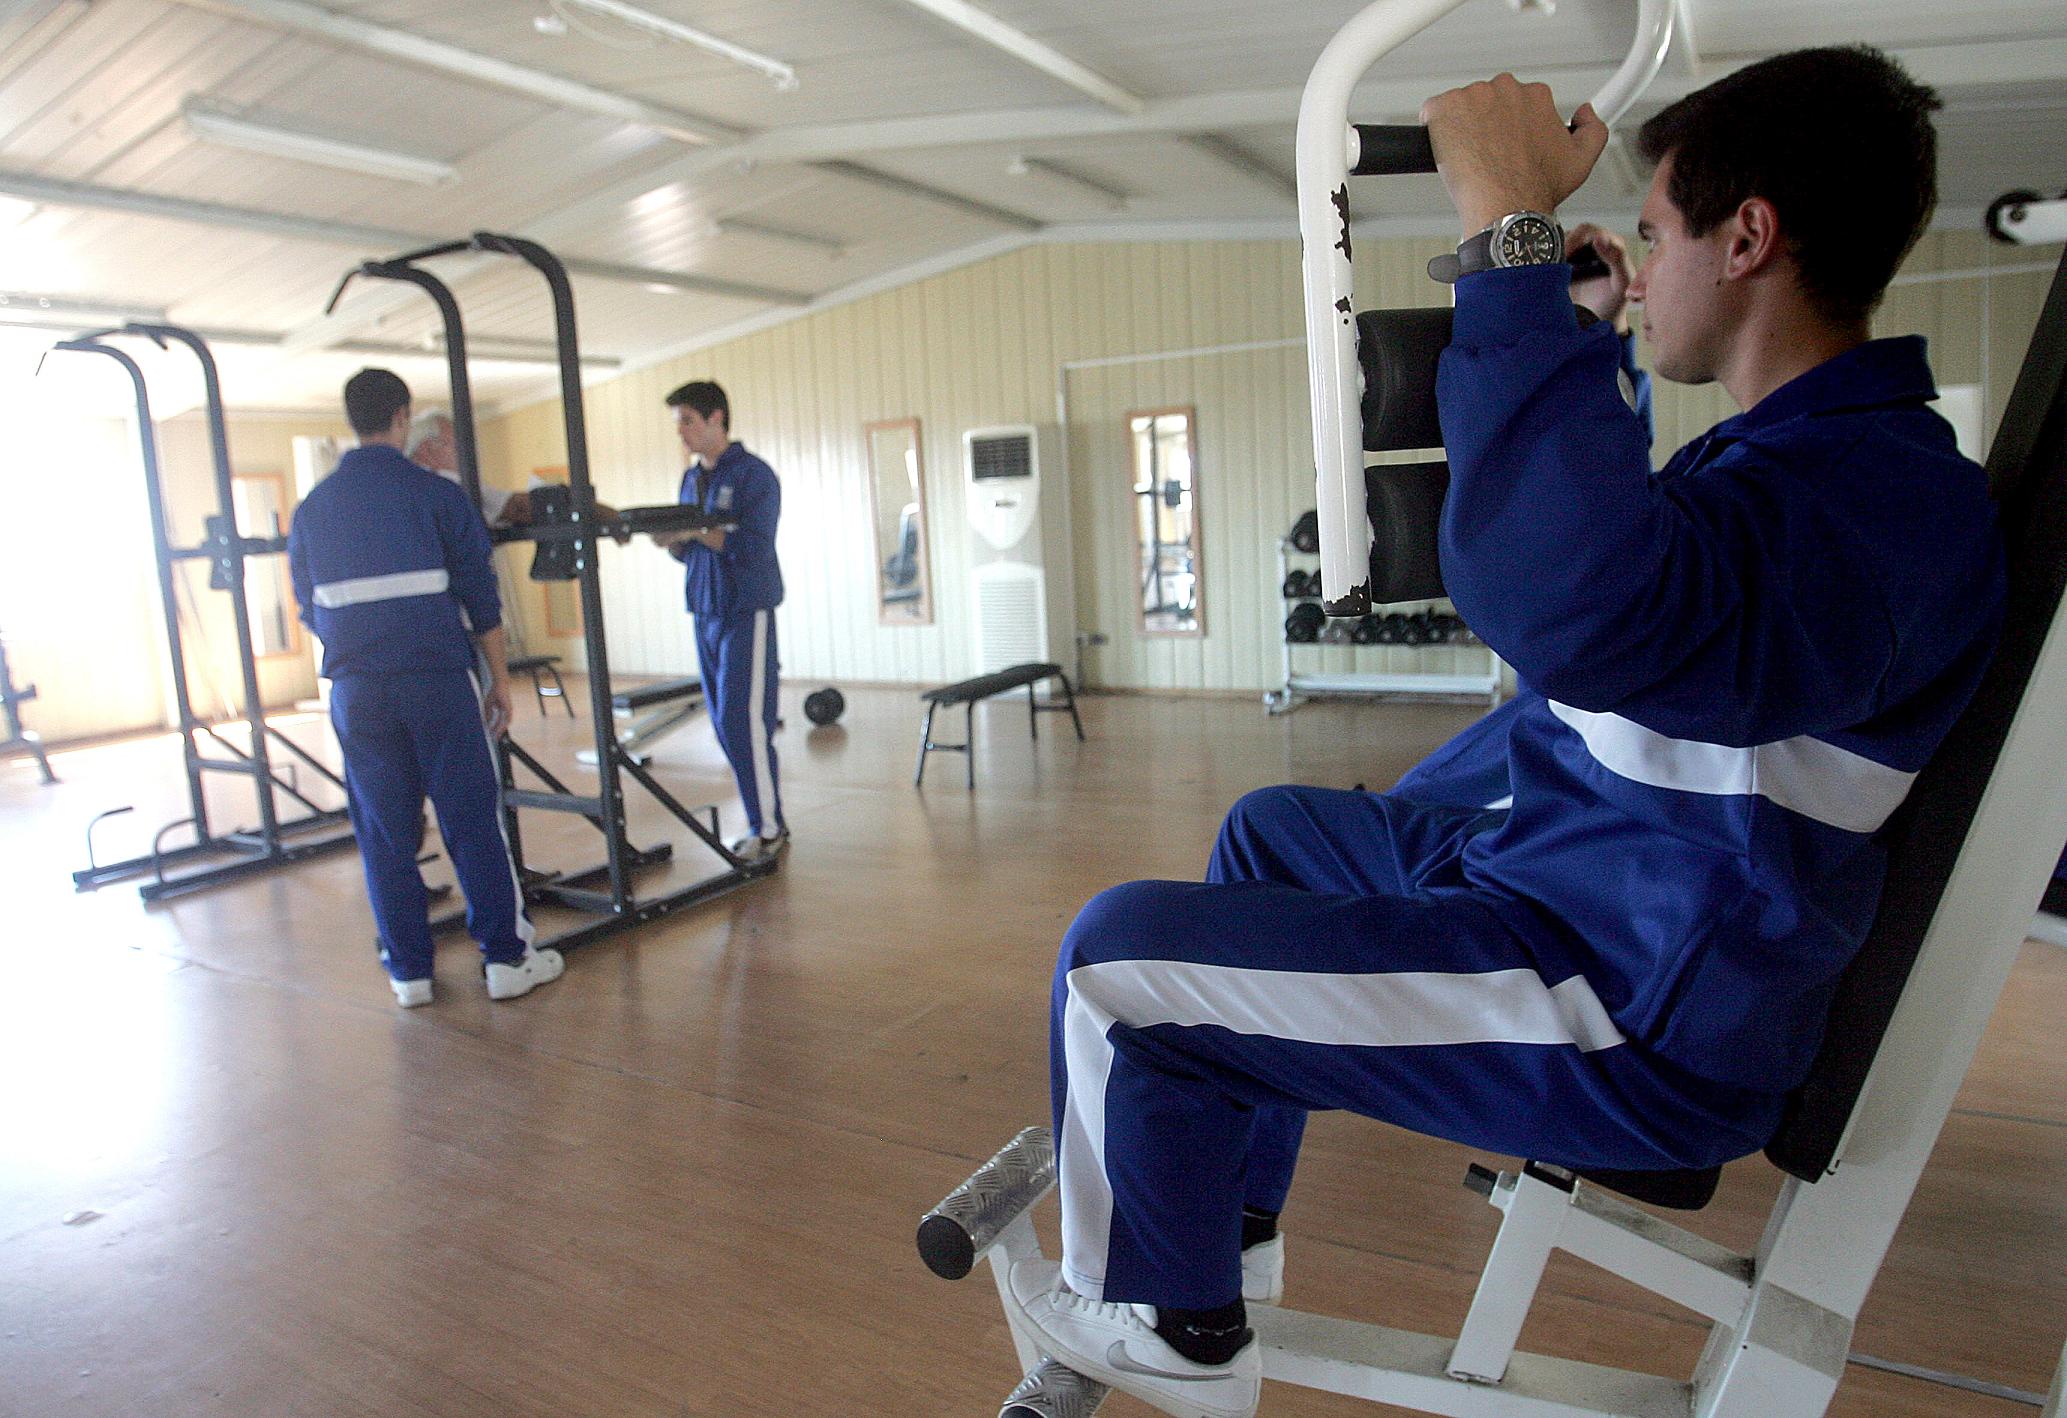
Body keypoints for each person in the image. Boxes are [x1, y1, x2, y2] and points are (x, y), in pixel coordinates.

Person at [1007, 46, 2006, 1418]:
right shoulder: (1805, 463)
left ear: (1745, 239)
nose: (1642, 268)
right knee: (1274, 833)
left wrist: (1510, 242)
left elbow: (1578, 602)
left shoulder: (1884, 508)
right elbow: (1627, 604)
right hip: (1583, 888)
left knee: (1115, 967)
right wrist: (1577, 333)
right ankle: (1219, 1242)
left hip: (1626, 1008)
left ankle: (1172, 1331)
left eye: (1654, 234)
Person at [289, 369, 565, 1008]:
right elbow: (482, 599)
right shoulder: (437, 495)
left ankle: (409, 973)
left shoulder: (312, 510)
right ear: (402, 416)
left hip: (356, 690)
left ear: (352, 419)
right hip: (436, 680)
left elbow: (308, 607)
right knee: (471, 817)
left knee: (383, 830)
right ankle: (507, 960)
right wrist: (500, 682)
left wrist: (361, 647)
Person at [652, 380, 787, 862]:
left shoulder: (755, 476)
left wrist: (698, 531)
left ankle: (766, 830)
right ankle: (762, 819)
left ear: (716, 419)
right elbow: (691, 552)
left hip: (746, 609)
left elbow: (753, 547)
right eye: (678, 424)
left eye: (688, 421)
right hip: (704, 608)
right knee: (722, 723)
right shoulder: (691, 480)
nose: (682, 432)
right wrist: (675, 541)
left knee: (743, 721)